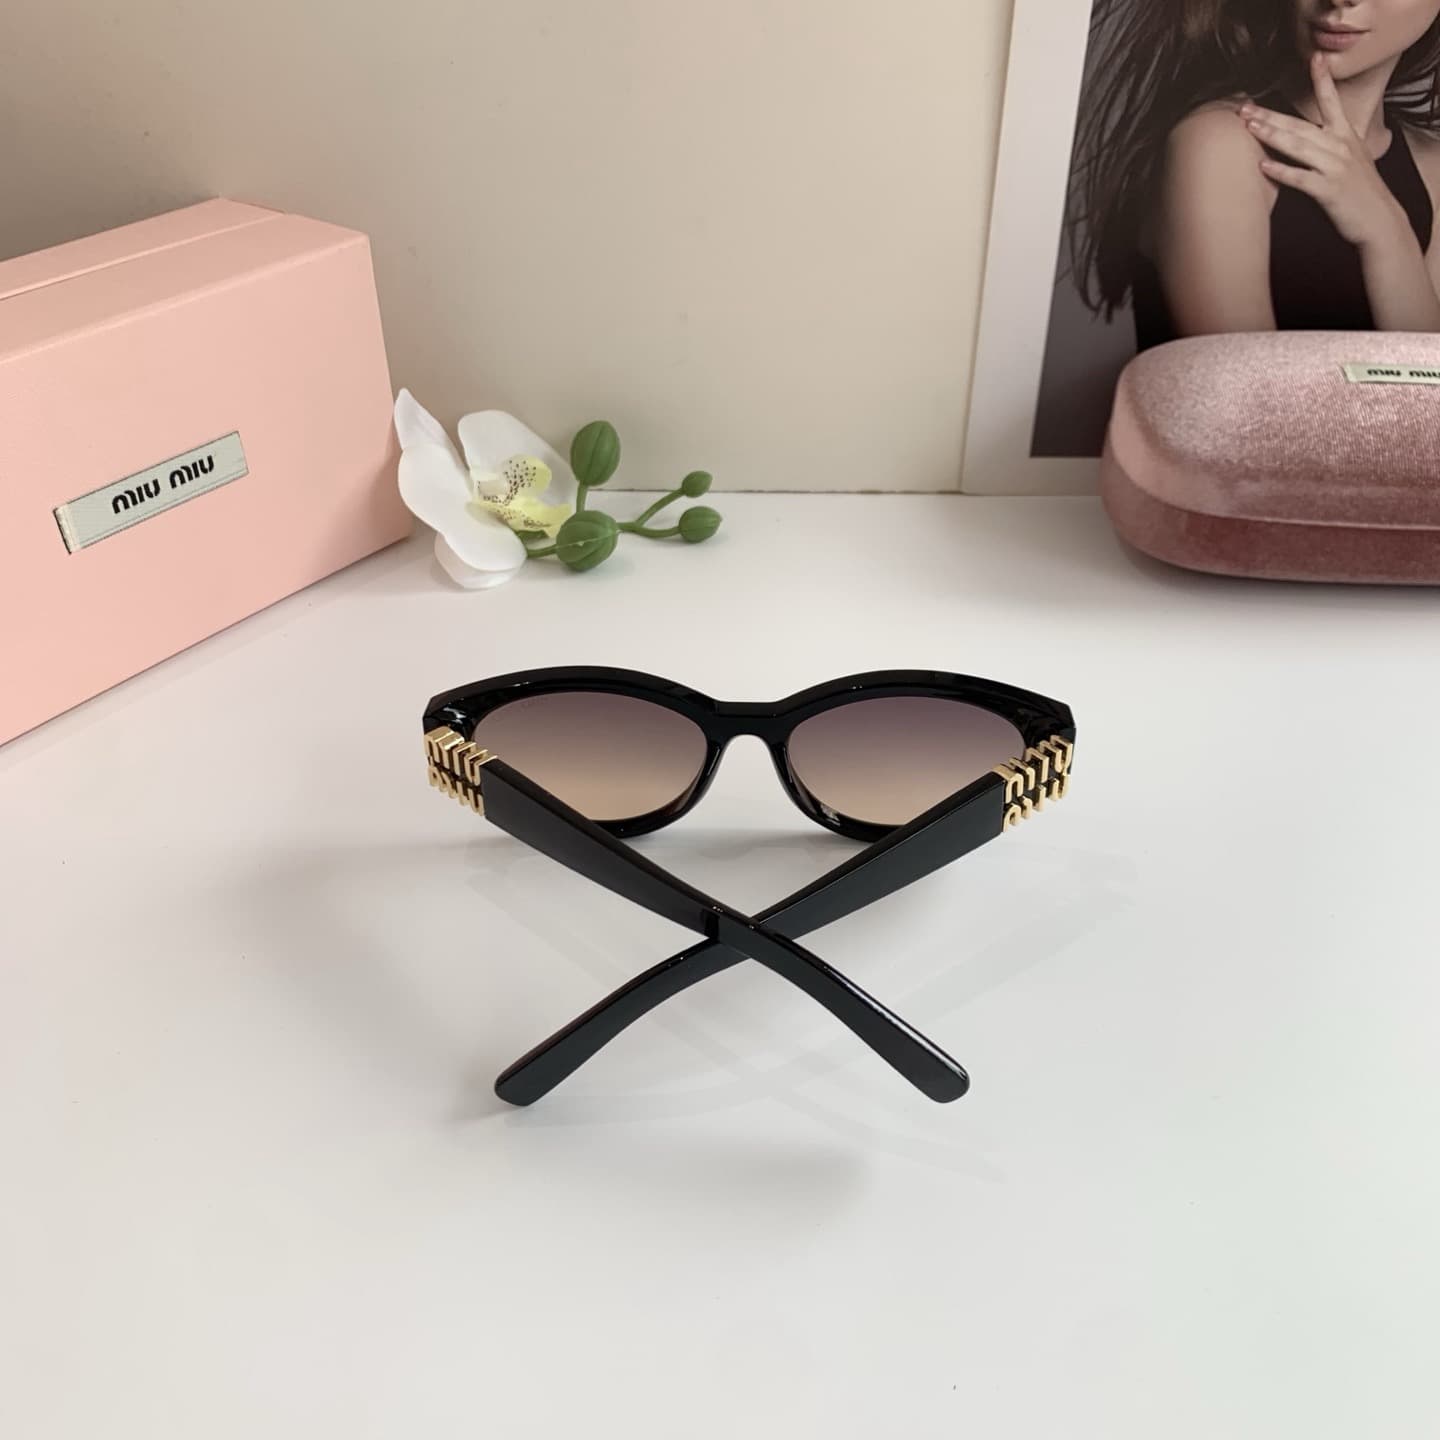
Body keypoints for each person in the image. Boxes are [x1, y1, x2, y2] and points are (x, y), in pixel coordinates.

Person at [1069, 0, 1440, 348]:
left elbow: (1428, 390)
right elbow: (1241, 391)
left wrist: (1388, 232)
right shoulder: (1219, 145)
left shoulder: (1431, 167)